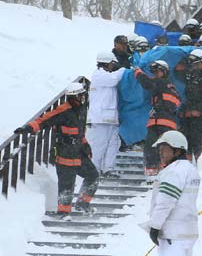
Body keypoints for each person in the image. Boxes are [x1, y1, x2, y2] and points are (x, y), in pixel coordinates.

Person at [14, 83, 98, 219]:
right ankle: (63, 213)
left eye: (83, 94)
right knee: (67, 183)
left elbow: (80, 131)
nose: (83, 97)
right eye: (81, 95)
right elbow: (44, 120)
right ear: (74, 96)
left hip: (79, 152)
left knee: (93, 176)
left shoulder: (82, 109)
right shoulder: (63, 110)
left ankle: (83, 203)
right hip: (65, 152)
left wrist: (85, 144)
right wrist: (27, 128)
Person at [146, 130, 200, 256]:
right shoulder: (189, 169)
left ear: (177, 150)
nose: (160, 152)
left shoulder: (174, 172)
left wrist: (155, 227)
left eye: (164, 148)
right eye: (159, 149)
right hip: (185, 232)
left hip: (173, 235)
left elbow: (165, 202)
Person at [133, 60, 181, 178]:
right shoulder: (170, 86)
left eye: (157, 71)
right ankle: (157, 171)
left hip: (162, 122)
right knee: (158, 147)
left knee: (154, 146)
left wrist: (137, 72)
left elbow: (147, 83)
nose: (154, 74)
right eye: (153, 72)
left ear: (164, 72)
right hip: (163, 121)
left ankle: (154, 171)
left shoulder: (162, 83)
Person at [87, 51, 126, 179]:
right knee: (99, 145)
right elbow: (113, 79)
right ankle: (94, 171)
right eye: (112, 63)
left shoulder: (106, 75)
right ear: (106, 63)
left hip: (111, 117)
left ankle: (108, 168)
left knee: (113, 144)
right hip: (100, 118)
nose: (113, 66)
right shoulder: (99, 75)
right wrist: (124, 70)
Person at [174, 49, 202, 161]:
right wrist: (185, 59)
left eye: (197, 63)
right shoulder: (190, 74)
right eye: (194, 63)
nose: (195, 66)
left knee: (197, 141)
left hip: (200, 113)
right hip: (187, 111)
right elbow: (177, 70)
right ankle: (187, 164)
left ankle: (200, 165)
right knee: (185, 141)